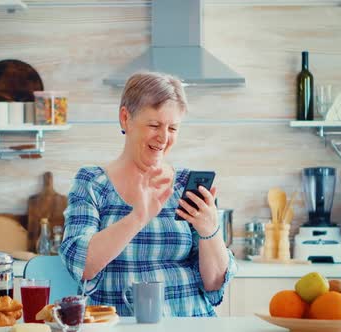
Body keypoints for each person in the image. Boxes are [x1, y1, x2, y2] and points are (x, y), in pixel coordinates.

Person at [59, 71, 237, 317]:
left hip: (191, 323)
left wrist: (210, 231)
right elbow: (82, 265)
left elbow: (215, 284)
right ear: (125, 119)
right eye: (154, 125)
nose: (164, 138)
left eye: (173, 128)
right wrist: (138, 217)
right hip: (120, 324)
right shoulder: (92, 183)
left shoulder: (187, 185)